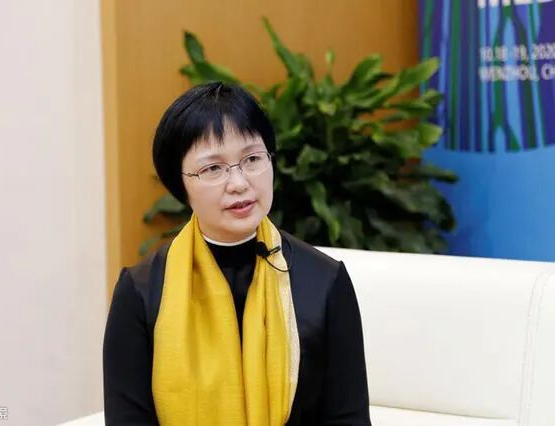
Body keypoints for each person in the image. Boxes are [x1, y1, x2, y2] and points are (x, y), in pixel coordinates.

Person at [103, 82, 371, 425]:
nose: (239, 183)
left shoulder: (325, 282)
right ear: (180, 184)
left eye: (252, 159)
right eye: (213, 169)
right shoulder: (141, 292)